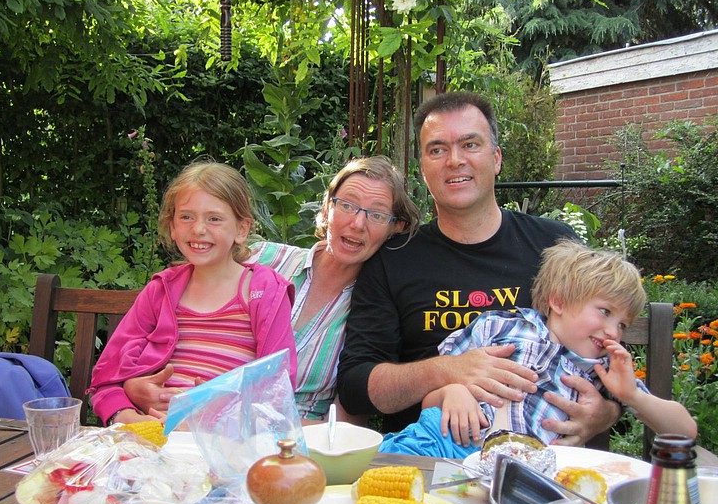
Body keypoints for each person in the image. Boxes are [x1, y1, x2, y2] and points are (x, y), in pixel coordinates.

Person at [337, 91, 622, 444]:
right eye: (437, 149)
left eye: (470, 144)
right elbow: (355, 386)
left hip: (552, 465)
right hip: (434, 462)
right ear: (423, 168)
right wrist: (448, 369)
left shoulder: (554, 245)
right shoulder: (394, 259)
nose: (454, 160)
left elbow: (610, 351)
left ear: (496, 158)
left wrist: (604, 413)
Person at [122, 156, 422, 422]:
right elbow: (182, 327)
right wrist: (133, 385)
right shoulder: (262, 258)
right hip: (184, 421)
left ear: (396, 227)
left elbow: (345, 427)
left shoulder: (375, 314)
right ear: (327, 206)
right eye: (346, 205)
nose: (357, 223)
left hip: (291, 444)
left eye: (377, 214)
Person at [379, 240, 697, 457]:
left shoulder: (601, 371)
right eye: (605, 312)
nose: (613, 331)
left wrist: (632, 395)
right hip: (443, 445)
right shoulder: (500, 327)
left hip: (529, 476)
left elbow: (685, 430)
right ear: (557, 301)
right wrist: (452, 391)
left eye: (623, 324)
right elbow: (432, 397)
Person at [87, 161, 298, 426]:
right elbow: (106, 380)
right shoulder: (160, 292)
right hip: (147, 435)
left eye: (214, 218)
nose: (198, 229)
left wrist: (212, 414)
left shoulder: (264, 292)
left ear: (242, 230)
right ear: (172, 226)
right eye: (186, 217)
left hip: (224, 442)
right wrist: (129, 416)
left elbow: (277, 389)